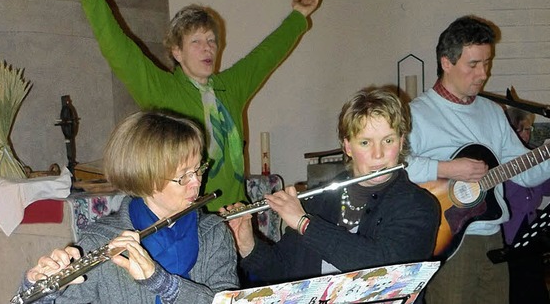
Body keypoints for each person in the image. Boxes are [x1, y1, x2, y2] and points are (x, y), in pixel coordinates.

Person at [72, 0, 321, 211]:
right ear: (177, 52)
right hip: (193, 218)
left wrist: (299, 15)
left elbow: (266, 54)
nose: (208, 48)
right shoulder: (163, 91)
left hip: (238, 212)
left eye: (212, 40)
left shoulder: (230, 86)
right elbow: (119, 49)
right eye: (197, 42)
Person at [222, 87, 440, 302]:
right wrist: (248, 246)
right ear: (347, 147)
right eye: (365, 142)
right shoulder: (320, 199)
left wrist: (305, 224)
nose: (378, 154)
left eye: (388, 140)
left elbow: (383, 271)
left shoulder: (419, 205)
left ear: (401, 141)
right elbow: (285, 272)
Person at [16, 111, 239, 303]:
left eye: (198, 169)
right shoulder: (100, 242)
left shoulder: (213, 232)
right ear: (147, 180)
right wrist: (37, 290)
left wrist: (163, 284)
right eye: (184, 176)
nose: (197, 182)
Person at [405, 15, 550, 304]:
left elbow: (525, 172)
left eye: (487, 63)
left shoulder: (492, 112)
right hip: (448, 244)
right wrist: (447, 167)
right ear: (447, 62)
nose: (483, 74)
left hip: (493, 238)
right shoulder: (416, 114)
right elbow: (396, 168)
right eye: (474, 64)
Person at [503, 107, 550, 304]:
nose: (527, 134)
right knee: (516, 289)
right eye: (522, 129)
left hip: (531, 231)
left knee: (536, 289)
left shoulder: (534, 157)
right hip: (509, 234)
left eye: (529, 129)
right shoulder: (503, 161)